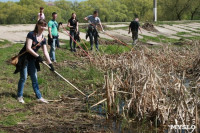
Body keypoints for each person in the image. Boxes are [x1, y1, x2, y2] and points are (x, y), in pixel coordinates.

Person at [14, 19, 54, 104]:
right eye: (41, 25)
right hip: (24, 58)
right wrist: (38, 56)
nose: (43, 27)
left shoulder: (43, 39)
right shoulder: (31, 34)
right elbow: (28, 48)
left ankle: (39, 97)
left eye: (44, 26)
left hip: (32, 60)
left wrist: (50, 63)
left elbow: (46, 52)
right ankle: (19, 96)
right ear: (37, 25)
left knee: (34, 78)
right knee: (23, 77)